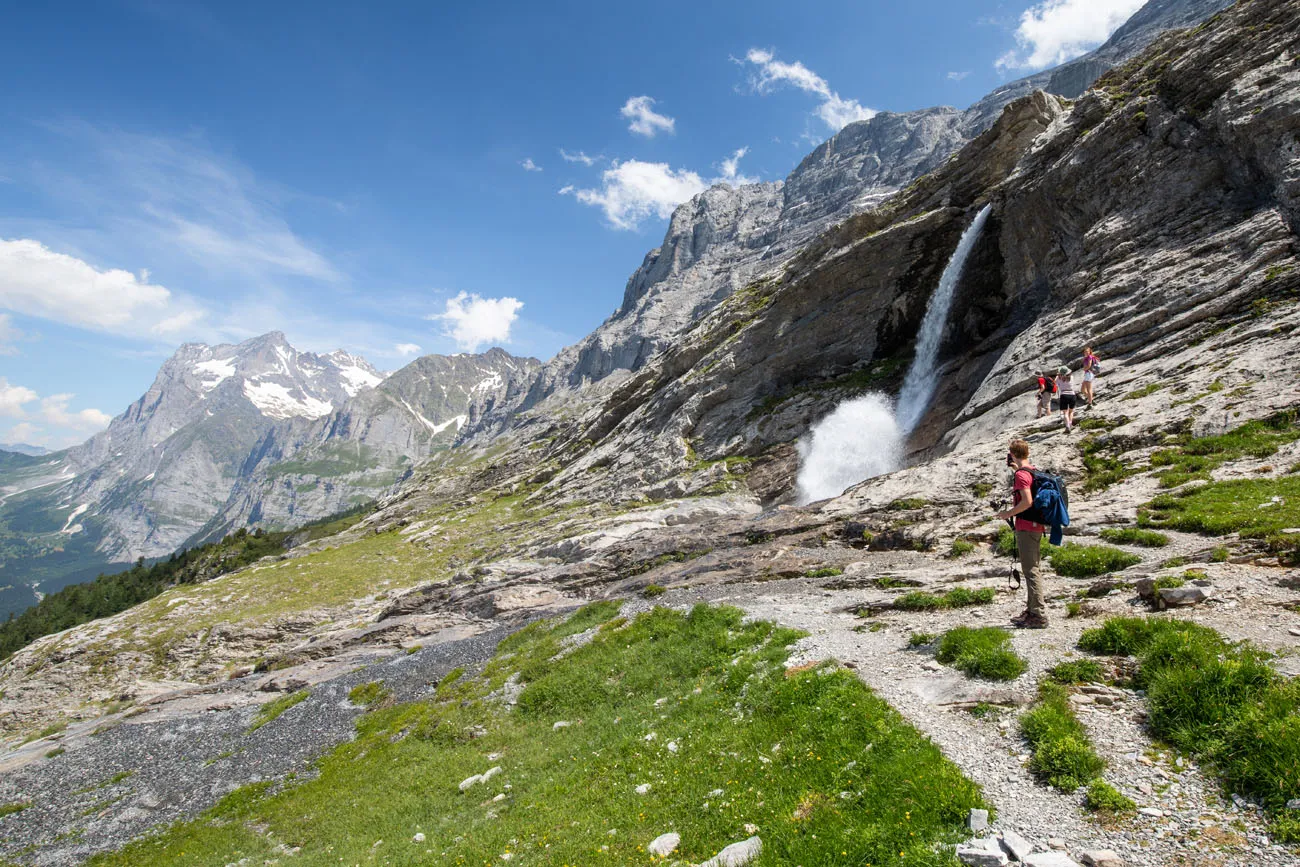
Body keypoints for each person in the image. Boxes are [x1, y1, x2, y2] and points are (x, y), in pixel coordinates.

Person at [995, 438, 1048, 628]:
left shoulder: (1021, 476)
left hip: (1027, 526)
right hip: (1035, 526)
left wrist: (1007, 514)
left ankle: (1038, 615)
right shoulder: (1031, 470)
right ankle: (1031, 610)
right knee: (1032, 568)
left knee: (1031, 571)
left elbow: (1027, 502)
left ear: (1013, 454)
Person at [1055, 365, 1077, 432]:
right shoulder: (1072, 377)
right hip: (1072, 394)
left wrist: (1058, 376)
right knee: (1071, 411)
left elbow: (1055, 383)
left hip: (1064, 394)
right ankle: (1070, 424)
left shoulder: (1059, 378)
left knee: (1065, 413)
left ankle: (1067, 426)